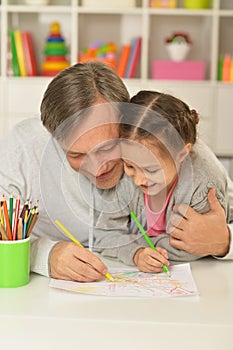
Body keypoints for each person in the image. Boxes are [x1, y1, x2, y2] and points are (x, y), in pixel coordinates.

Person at [0, 63, 232, 282]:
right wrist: (43, 256)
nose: (98, 167)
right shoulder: (23, 149)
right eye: (77, 155)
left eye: (108, 147)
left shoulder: (168, 145)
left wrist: (224, 241)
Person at [119, 90, 232, 272]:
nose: (138, 179)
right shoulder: (131, 156)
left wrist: (135, 241)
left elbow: (195, 246)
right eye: (130, 166)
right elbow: (106, 230)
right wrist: (136, 251)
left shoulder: (204, 183)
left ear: (182, 153)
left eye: (151, 170)